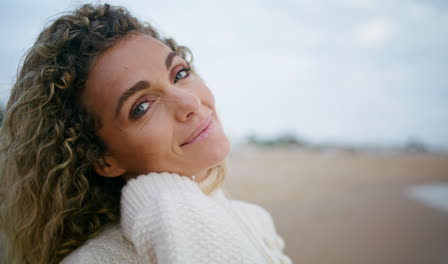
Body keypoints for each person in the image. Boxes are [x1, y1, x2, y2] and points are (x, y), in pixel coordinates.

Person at [0, 3, 293, 264]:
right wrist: (166, 202)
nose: (190, 103)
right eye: (141, 107)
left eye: (179, 74)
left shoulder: (256, 221)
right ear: (103, 157)